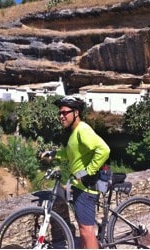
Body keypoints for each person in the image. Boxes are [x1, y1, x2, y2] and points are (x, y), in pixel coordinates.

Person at [45, 96, 110, 249]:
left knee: (87, 231)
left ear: (76, 113)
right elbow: (70, 154)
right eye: (59, 113)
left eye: (64, 112)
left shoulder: (82, 130)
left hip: (86, 189)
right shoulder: (74, 133)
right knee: (83, 228)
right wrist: (54, 154)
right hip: (79, 187)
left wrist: (88, 172)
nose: (61, 116)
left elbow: (104, 150)